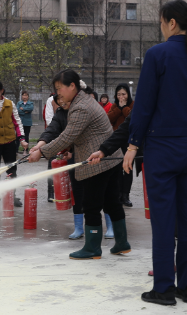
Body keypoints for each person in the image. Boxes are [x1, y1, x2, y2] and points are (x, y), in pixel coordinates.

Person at [123, 0, 187, 305]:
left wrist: (133, 144)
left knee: (164, 221)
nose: (161, 28)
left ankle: (163, 289)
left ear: (172, 23)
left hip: (163, 149)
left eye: (162, 23)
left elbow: (145, 105)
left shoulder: (157, 55)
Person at [28, 69, 129, 260]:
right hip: (109, 158)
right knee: (111, 202)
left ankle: (92, 248)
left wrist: (42, 152)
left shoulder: (81, 106)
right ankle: (122, 243)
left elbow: (68, 135)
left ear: (72, 86)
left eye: (60, 88)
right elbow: (68, 132)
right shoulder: (81, 101)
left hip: (98, 162)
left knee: (91, 205)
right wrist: (47, 146)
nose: (58, 93)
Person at [33, 96, 86, 239]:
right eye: (59, 101)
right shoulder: (61, 113)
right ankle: (79, 227)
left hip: (92, 155)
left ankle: (108, 226)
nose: (62, 103)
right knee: (77, 191)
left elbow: (68, 137)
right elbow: (51, 130)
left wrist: (42, 152)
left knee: (98, 194)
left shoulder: (81, 110)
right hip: (74, 157)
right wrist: (39, 145)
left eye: (64, 99)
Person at [108, 83, 135, 207]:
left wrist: (124, 107)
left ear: (128, 95)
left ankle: (126, 195)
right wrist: (119, 108)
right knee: (117, 169)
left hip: (130, 142)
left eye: (123, 94)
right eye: (119, 94)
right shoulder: (114, 105)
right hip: (117, 141)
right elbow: (109, 119)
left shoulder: (133, 104)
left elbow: (133, 118)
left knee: (128, 169)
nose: (121, 97)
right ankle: (118, 194)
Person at [16, 91, 34, 155]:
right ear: (21, 96)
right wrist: (25, 111)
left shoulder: (30, 103)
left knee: (26, 136)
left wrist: (22, 109)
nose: (25, 97)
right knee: (18, 136)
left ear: (28, 96)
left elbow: (31, 108)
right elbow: (17, 110)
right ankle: (16, 150)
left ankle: (25, 150)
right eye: (23, 95)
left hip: (27, 122)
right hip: (20, 122)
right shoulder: (19, 103)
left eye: (26, 95)